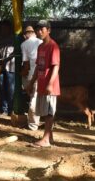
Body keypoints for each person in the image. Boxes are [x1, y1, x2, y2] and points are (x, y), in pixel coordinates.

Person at [26, 20, 60, 148]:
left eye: (42, 29)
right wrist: (31, 82)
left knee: (49, 111)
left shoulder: (53, 46)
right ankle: (49, 137)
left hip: (49, 85)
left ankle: (45, 140)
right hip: (41, 83)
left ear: (48, 30)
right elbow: (37, 67)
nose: (39, 32)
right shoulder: (40, 47)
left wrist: (50, 84)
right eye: (37, 30)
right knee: (44, 111)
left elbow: (56, 67)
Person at [21, 26, 42, 130]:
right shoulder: (41, 42)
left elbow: (26, 63)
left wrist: (22, 74)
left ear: (26, 34)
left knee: (33, 98)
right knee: (36, 97)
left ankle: (33, 125)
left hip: (31, 75)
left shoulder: (24, 44)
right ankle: (35, 122)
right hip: (42, 75)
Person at [0, 20, 15, 117]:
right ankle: (4, 110)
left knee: (11, 89)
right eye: (2, 28)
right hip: (0, 68)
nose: (3, 30)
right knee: (2, 88)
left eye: (5, 28)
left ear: (9, 28)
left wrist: (6, 60)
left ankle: (12, 110)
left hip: (11, 67)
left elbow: (15, 53)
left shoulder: (15, 39)